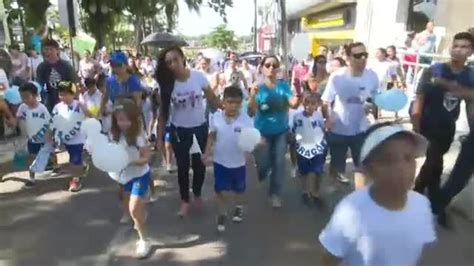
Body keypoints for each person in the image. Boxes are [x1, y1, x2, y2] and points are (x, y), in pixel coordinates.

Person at [319, 122, 435, 266]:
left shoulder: (421, 205)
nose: (404, 168)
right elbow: (329, 258)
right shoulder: (351, 211)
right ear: (371, 170)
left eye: (409, 158)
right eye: (389, 160)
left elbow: (417, 251)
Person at [412, 31, 474, 216]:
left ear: (471, 52)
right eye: (455, 46)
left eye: (464, 47)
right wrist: (416, 124)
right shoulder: (434, 69)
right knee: (432, 162)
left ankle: (432, 200)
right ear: (450, 48)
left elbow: (471, 102)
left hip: (447, 128)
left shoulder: (470, 76)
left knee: (435, 165)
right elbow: (419, 98)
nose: (458, 50)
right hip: (427, 125)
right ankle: (419, 198)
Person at [155, 46, 220, 217]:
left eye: (175, 59)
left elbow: (212, 98)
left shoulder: (198, 77)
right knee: (183, 167)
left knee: (199, 166)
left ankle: (197, 193)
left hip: (200, 128)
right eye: (168, 62)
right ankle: (185, 200)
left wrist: (229, 110)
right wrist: (159, 137)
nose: (173, 64)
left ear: (183, 58)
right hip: (179, 131)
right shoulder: (167, 85)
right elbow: (163, 114)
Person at [322, 42, 379, 189]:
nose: (362, 59)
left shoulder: (372, 76)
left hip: (361, 129)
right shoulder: (337, 77)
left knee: (362, 165)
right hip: (338, 128)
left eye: (365, 55)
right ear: (348, 58)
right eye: (358, 56)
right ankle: (334, 187)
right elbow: (326, 101)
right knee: (337, 165)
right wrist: (328, 119)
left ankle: (360, 197)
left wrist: (373, 108)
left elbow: (376, 99)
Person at [248, 55, 300, 208]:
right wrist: (252, 95)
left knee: (279, 162)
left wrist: (298, 96)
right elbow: (251, 112)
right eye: (268, 65)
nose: (271, 68)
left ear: (278, 68)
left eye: (274, 65)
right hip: (261, 133)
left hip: (281, 132)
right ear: (262, 67)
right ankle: (264, 173)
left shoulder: (283, 86)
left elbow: (293, 104)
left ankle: (275, 194)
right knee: (263, 165)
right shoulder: (258, 87)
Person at [203, 85, 253, 233]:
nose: (233, 106)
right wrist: (206, 153)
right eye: (230, 102)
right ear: (223, 102)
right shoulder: (216, 117)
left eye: (237, 103)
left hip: (238, 163)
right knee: (220, 189)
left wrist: (250, 151)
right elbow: (211, 135)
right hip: (220, 162)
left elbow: (250, 138)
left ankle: (238, 207)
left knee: (239, 190)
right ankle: (222, 213)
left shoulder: (245, 120)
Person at [109, 98, 152, 259]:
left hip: (140, 174)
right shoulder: (113, 134)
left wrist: (130, 161)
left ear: (134, 119)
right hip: (123, 177)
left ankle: (144, 240)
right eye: (120, 119)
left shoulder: (139, 135)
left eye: (127, 119)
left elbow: (146, 157)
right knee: (129, 207)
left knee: (134, 209)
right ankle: (139, 214)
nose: (124, 123)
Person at [49, 81, 88, 192]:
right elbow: (53, 121)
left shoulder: (78, 105)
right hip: (65, 138)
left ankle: (75, 180)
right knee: (73, 156)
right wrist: (51, 134)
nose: (63, 97)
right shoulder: (57, 107)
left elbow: (90, 115)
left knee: (74, 159)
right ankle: (81, 166)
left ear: (73, 94)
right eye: (61, 94)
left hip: (78, 137)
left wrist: (83, 107)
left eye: (66, 94)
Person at [291, 92, 327, 206]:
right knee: (304, 171)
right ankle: (305, 191)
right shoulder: (297, 117)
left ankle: (316, 193)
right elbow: (293, 131)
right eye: (306, 103)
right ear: (303, 103)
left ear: (316, 105)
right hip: (303, 147)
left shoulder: (318, 116)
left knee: (318, 171)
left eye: (312, 104)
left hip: (317, 147)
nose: (309, 106)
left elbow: (322, 129)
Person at [16, 82, 51, 188]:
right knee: (32, 157)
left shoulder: (42, 108)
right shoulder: (23, 107)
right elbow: (18, 118)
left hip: (44, 138)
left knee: (48, 154)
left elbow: (49, 122)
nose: (24, 100)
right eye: (22, 97)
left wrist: (49, 135)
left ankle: (52, 164)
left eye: (27, 97)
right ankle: (32, 178)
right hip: (32, 139)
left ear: (35, 95)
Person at [36, 39, 78, 112]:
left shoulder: (66, 66)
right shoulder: (41, 67)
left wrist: (74, 100)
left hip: (65, 100)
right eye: (46, 49)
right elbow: (39, 86)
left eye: (51, 49)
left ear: (57, 50)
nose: (48, 52)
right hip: (48, 102)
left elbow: (74, 84)